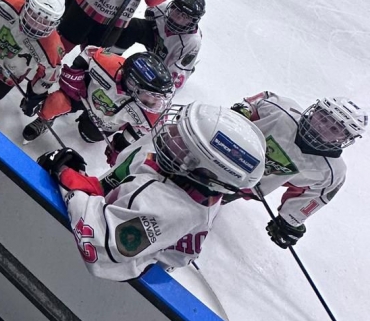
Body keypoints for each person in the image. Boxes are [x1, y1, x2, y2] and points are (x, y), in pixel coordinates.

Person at [37, 101, 266, 281]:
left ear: (203, 172)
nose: (170, 130)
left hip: (127, 258)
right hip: (118, 209)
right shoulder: (182, 167)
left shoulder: (169, 208)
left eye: (182, 139)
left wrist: (67, 177)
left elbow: (99, 245)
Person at [229, 92, 367, 247]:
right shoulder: (280, 111)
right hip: (219, 152)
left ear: (344, 139)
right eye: (323, 118)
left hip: (242, 187)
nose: (322, 127)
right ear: (315, 110)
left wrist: (289, 222)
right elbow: (258, 101)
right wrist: (242, 112)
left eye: (334, 129)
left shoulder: (331, 173)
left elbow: (312, 198)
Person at [22, 49, 173, 149]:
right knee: (55, 102)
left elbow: (138, 130)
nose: (155, 102)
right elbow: (89, 53)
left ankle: (87, 121)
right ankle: (45, 119)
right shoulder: (107, 64)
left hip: (107, 123)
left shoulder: (153, 112)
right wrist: (75, 73)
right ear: (132, 83)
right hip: (84, 96)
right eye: (151, 95)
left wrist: (122, 144)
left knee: (88, 136)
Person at [109, 0, 205, 91]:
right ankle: (111, 55)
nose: (178, 19)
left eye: (186, 17)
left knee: (159, 79)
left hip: (169, 58)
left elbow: (177, 80)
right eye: (177, 11)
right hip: (156, 42)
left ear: (194, 21)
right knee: (134, 25)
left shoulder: (192, 42)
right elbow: (148, 17)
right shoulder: (160, 9)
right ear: (171, 7)